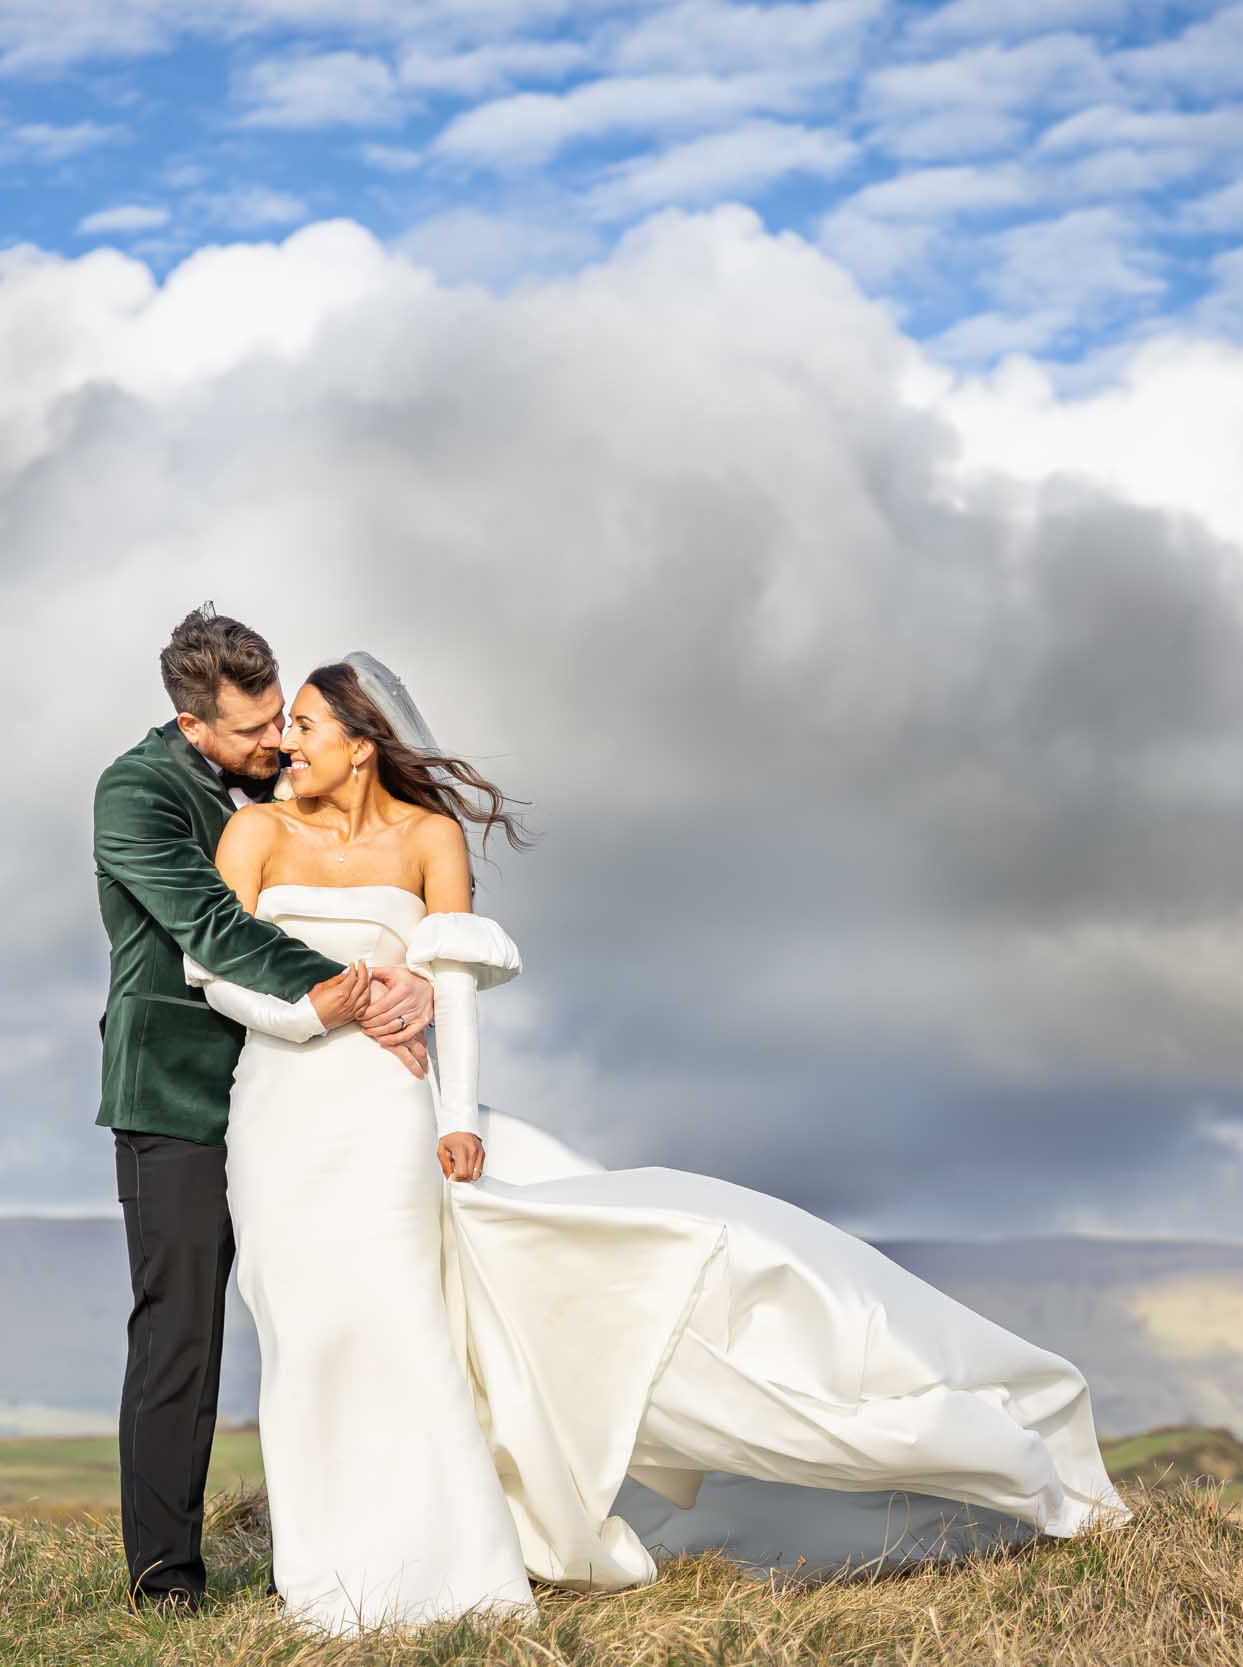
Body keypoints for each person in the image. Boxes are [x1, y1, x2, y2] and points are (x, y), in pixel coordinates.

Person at [182, 652, 1133, 1635]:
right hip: (278, 1110)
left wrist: (458, 1119)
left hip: (390, 1108)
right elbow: (210, 968)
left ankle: (444, 1573)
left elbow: (453, 993)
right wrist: (317, 1005)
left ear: (361, 740)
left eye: (301, 723)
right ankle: (324, 1575)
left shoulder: (428, 836)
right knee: (304, 1330)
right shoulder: (254, 831)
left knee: (394, 1320)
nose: (282, 741)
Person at [90, 606, 440, 1611]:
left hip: (302, 1099)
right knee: (183, 1333)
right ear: (191, 725)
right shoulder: (134, 791)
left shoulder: (289, 787)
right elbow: (208, 925)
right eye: (249, 731)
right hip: (179, 1095)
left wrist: (412, 974)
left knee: (336, 1318)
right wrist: (366, 987)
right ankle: (166, 1577)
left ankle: (356, 1552)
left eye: (280, 718)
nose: (275, 740)